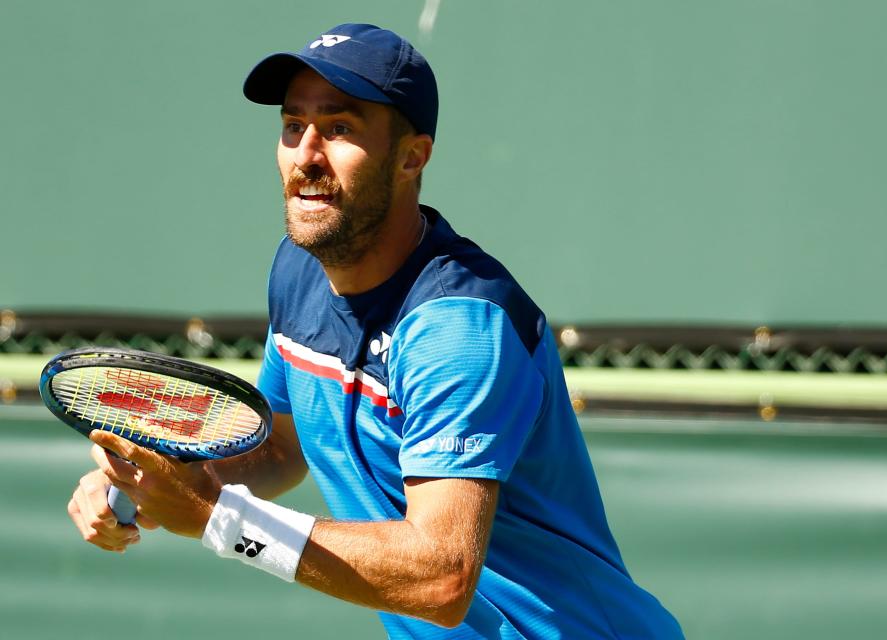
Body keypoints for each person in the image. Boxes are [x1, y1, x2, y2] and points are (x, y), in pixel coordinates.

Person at [67, 23, 684, 639]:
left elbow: (439, 579)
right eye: (292, 126)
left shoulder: (460, 328)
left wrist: (212, 517)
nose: (306, 154)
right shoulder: (298, 271)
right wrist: (158, 480)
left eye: (339, 129)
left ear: (411, 157)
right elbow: (279, 450)